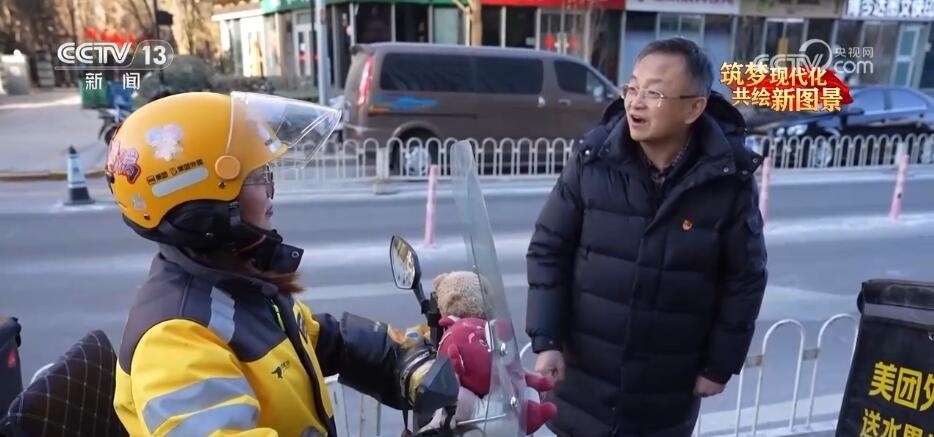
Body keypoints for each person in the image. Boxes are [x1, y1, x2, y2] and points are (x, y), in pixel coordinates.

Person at [107, 91, 457, 436]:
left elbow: (325, 340)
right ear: (204, 205)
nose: (271, 194)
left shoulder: (235, 286)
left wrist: (417, 358)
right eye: (258, 176)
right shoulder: (175, 341)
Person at [525, 37, 768, 436]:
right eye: (632, 88)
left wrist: (718, 365)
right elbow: (548, 249)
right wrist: (547, 339)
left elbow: (744, 280)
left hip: (665, 393)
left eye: (654, 93)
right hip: (583, 383)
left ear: (694, 108)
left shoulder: (728, 182)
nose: (635, 103)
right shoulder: (592, 161)